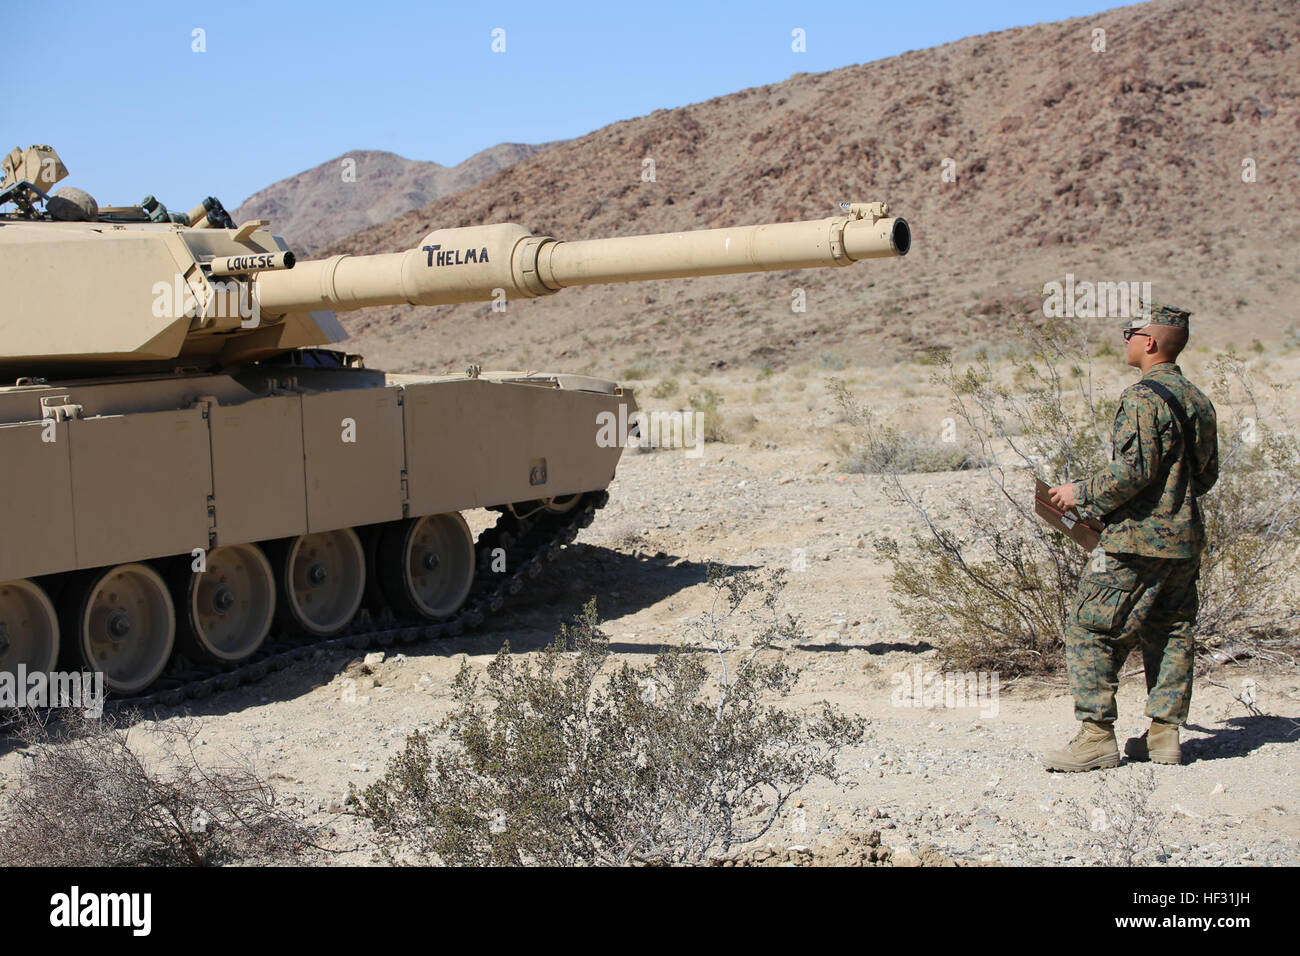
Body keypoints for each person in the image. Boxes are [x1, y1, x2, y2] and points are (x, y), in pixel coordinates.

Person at [1042, 303, 1219, 771]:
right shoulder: (1199, 400)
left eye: (1130, 333)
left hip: (1133, 543)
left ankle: (1096, 736)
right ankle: (1164, 735)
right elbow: (1206, 475)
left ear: (1151, 342)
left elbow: (1132, 471)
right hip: (1184, 542)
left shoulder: (1142, 398)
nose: (1124, 340)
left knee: (1090, 627)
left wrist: (1077, 493)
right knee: (1171, 630)